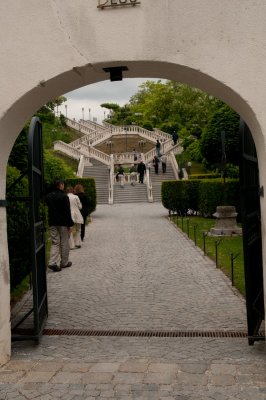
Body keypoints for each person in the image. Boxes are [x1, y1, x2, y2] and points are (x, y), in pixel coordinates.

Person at [45, 180, 73, 272]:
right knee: (64, 242)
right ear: (60, 185)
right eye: (63, 184)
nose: (63, 186)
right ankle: (64, 262)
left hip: (52, 222)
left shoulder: (48, 196)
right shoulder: (64, 196)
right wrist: (70, 225)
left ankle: (52, 262)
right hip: (63, 223)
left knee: (55, 242)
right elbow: (67, 212)